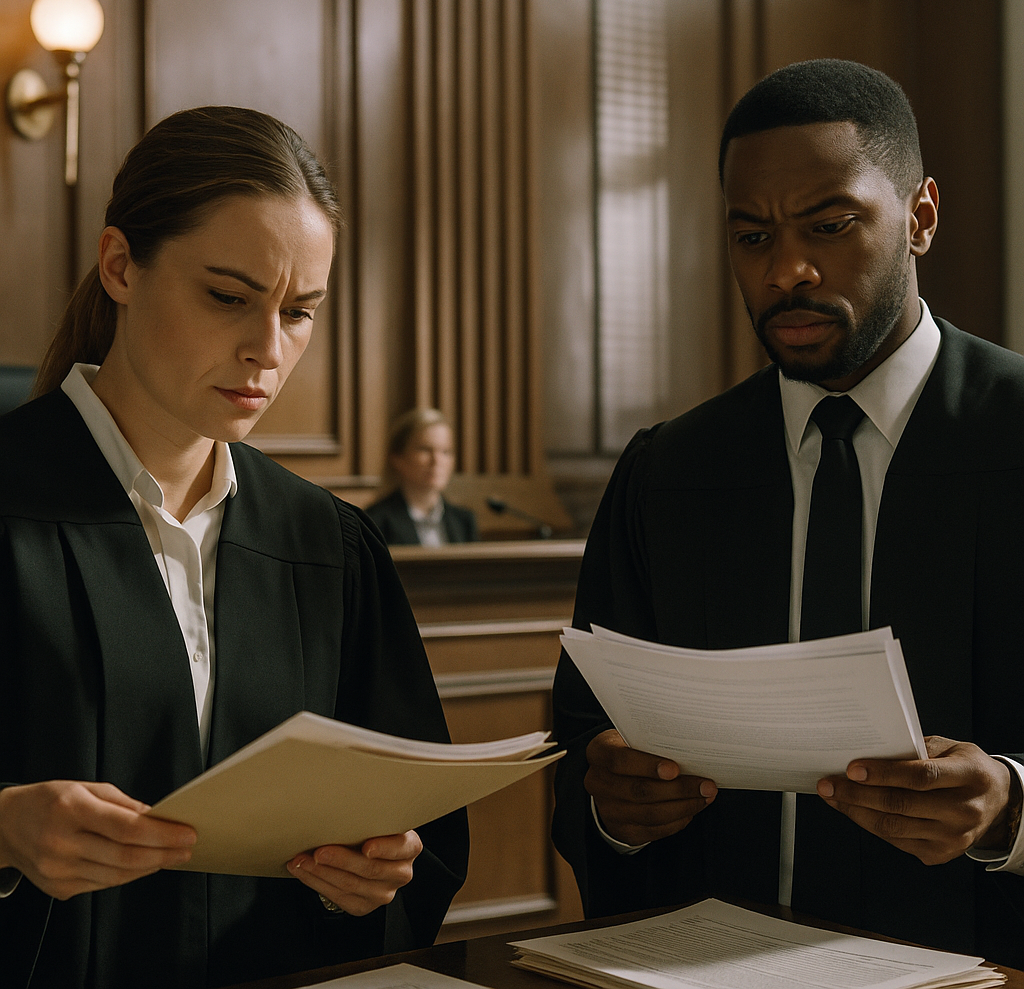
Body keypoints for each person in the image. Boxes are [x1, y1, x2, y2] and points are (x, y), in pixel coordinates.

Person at [551, 59, 1024, 968]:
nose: (788, 270)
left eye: (830, 226)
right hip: (716, 968)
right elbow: (583, 746)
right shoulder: (671, 473)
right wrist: (614, 809)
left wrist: (1010, 811)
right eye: (752, 236)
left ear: (921, 217)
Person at [0, 106, 468, 989]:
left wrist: (371, 877)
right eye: (228, 296)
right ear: (119, 266)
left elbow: (422, 844)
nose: (267, 350)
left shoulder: (326, 547)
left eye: (300, 311)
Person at [366, 408, 478, 546]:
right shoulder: (374, 522)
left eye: (445, 452)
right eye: (425, 450)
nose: (436, 461)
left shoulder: (464, 521)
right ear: (397, 458)